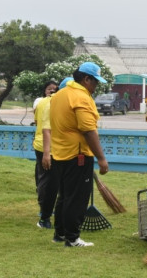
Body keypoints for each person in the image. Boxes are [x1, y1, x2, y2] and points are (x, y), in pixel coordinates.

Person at [50, 62, 108, 247]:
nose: (96, 86)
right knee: (77, 198)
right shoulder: (80, 97)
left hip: (60, 153)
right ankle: (73, 238)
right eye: (95, 82)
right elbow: (88, 130)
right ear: (86, 79)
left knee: (65, 196)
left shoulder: (60, 94)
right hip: (78, 155)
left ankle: (60, 233)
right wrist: (101, 158)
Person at [33, 80, 58, 228]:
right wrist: (47, 152)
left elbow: (37, 122)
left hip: (40, 144)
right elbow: (47, 129)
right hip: (49, 147)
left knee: (44, 179)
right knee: (50, 182)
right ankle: (45, 213)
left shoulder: (40, 103)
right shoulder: (53, 104)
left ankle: (45, 210)